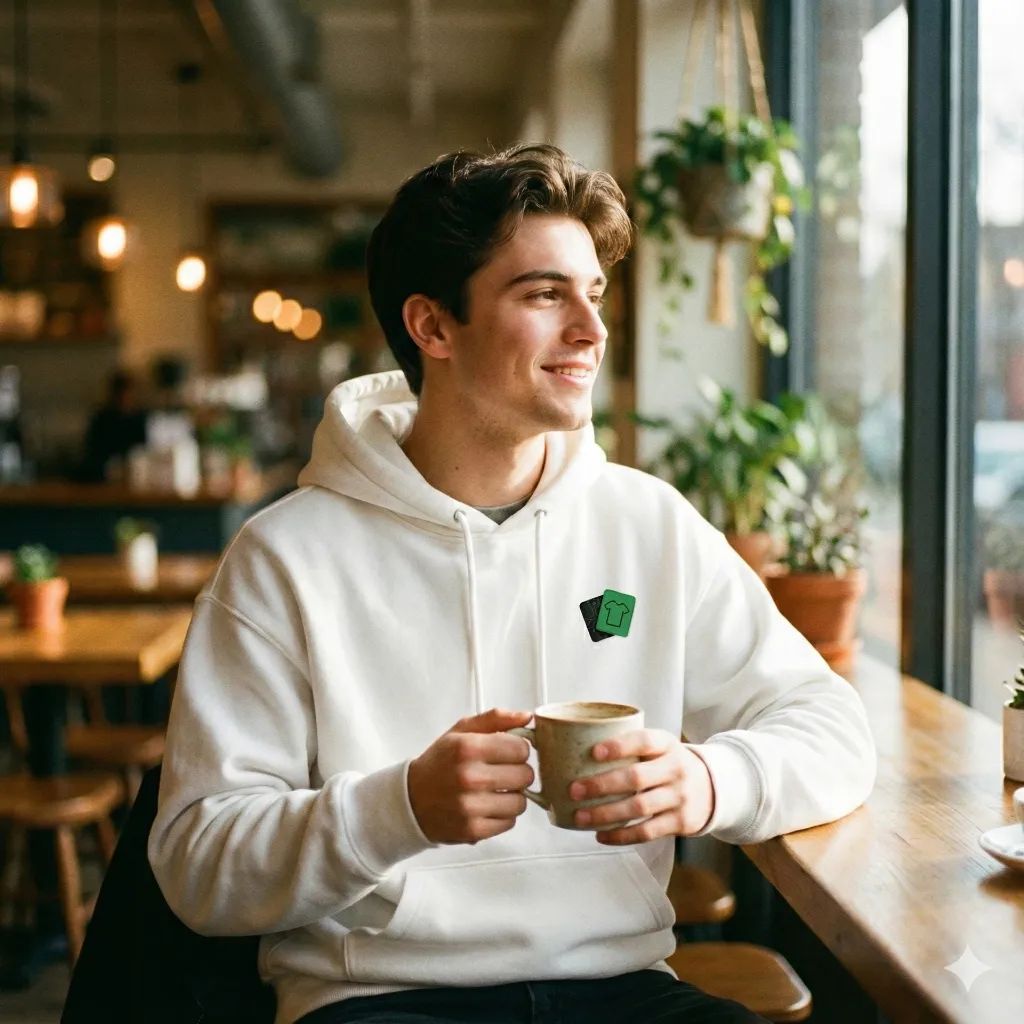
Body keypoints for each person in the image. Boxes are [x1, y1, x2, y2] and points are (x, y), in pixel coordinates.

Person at [149, 145, 876, 1024]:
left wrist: (710, 780)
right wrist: (399, 808)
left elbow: (833, 728)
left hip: (623, 991)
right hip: (379, 999)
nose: (591, 329)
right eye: (543, 295)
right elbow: (198, 864)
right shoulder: (281, 560)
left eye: (594, 294)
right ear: (433, 327)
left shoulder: (649, 525)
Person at [81, 369, 148, 482]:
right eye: (121, 394)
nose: (124, 398)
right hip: (103, 476)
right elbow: (92, 449)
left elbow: (145, 448)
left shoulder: (141, 418)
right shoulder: (101, 418)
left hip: (135, 473)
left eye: (128, 393)